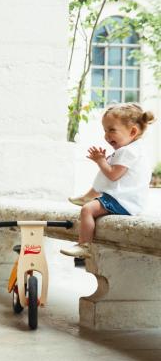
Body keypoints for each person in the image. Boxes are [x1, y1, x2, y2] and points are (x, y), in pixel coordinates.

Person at [62, 103, 155, 258]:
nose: (107, 135)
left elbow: (113, 175)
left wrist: (101, 161)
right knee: (106, 169)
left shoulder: (127, 152)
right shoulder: (134, 149)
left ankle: (84, 245)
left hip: (124, 202)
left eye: (112, 130)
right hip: (127, 199)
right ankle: (89, 195)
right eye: (105, 130)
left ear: (133, 131)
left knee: (87, 211)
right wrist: (105, 161)